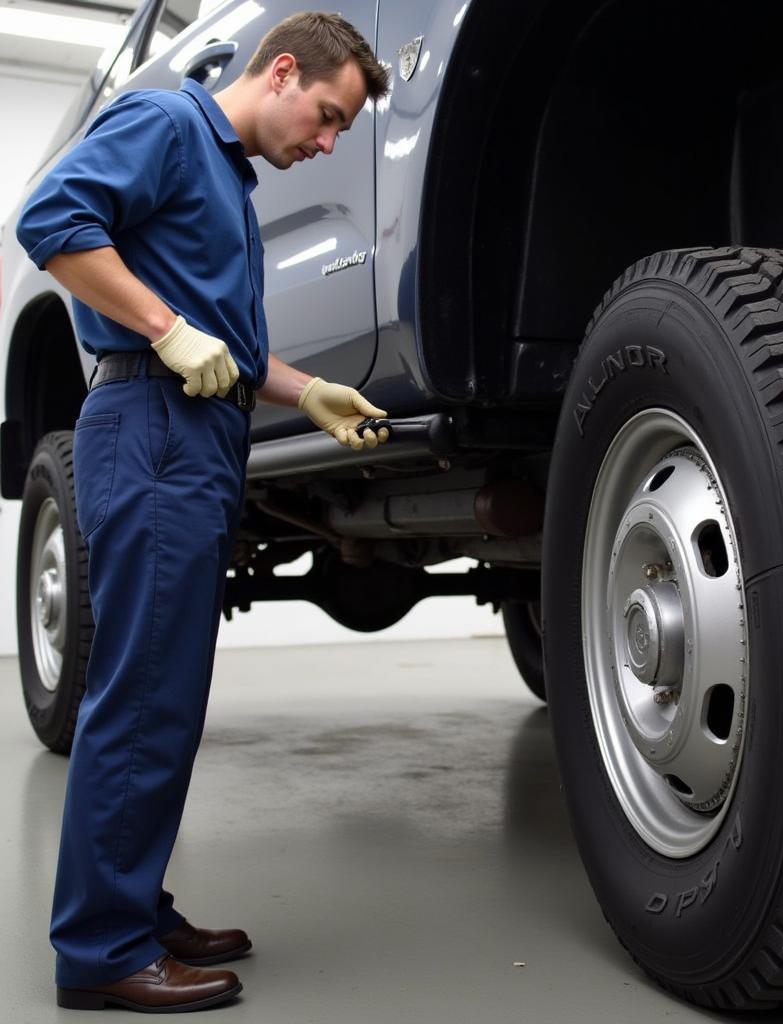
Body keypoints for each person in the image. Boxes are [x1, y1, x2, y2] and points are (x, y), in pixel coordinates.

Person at [16, 11, 391, 1013]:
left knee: (167, 695)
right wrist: (166, 328)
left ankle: (135, 905)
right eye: (326, 116)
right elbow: (50, 219)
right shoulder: (168, 124)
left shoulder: (222, 176)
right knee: (142, 693)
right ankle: (100, 950)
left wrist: (306, 390)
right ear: (279, 71)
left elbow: (218, 344)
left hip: (196, 430)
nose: (324, 142)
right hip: (150, 424)